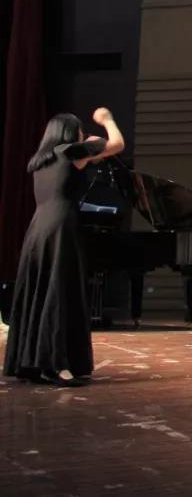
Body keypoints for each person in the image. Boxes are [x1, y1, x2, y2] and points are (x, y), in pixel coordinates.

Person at [4, 109, 125, 385]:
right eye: (79, 130)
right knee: (61, 291)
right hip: (61, 227)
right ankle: (56, 364)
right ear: (70, 133)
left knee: (40, 293)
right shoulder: (72, 151)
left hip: (37, 230)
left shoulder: (40, 160)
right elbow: (117, 144)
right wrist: (107, 119)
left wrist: (91, 145)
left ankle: (31, 363)